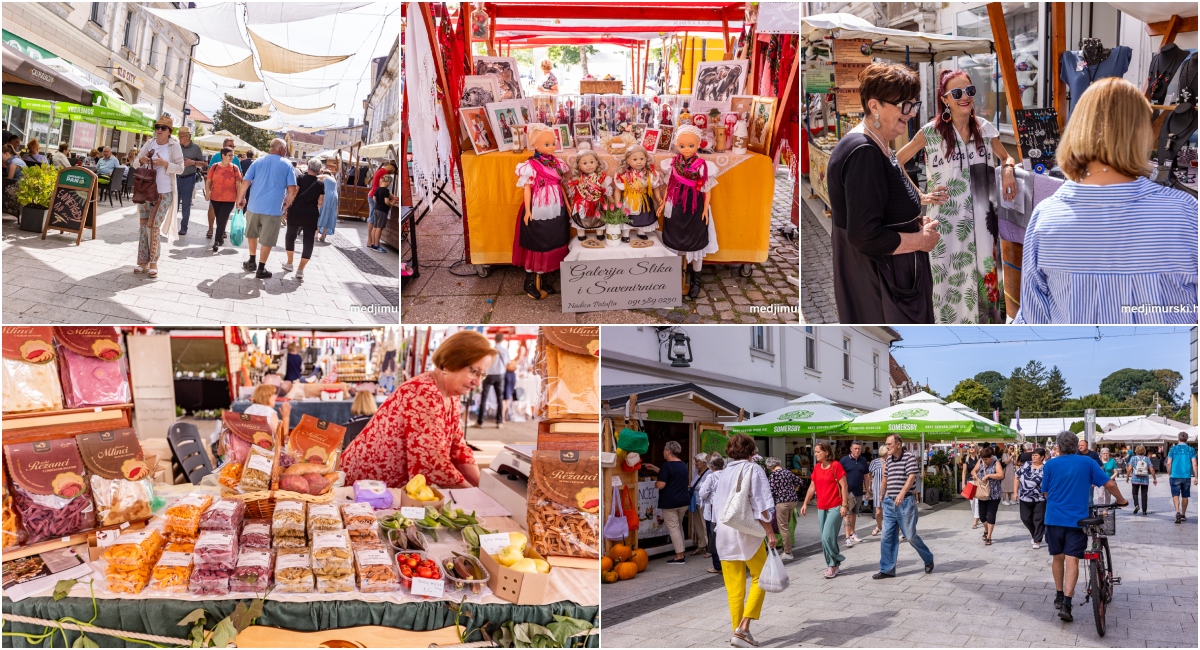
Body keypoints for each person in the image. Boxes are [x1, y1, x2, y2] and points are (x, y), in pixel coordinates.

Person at [1014, 78, 1197, 324]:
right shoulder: (1185, 214)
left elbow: (1034, 322)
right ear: (1140, 133)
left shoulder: (1046, 218)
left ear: (1078, 129)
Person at [896, 70, 1018, 323]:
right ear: (944, 99)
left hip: (984, 223)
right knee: (947, 280)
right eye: (957, 93)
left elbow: (1006, 156)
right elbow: (896, 162)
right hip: (947, 223)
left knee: (985, 277)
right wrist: (920, 195)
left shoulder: (985, 130)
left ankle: (987, 328)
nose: (965, 97)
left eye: (970, 91)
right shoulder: (930, 133)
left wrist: (1007, 169)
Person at [828, 63, 940, 323]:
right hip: (880, 285)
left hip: (890, 280)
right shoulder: (864, 152)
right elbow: (864, 235)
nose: (911, 113)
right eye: (904, 105)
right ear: (874, 105)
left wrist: (914, 223)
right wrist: (920, 241)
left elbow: (886, 206)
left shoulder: (876, 143)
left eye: (914, 104)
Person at [341, 330, 488, 489]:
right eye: (474, 371)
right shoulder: (423, 393)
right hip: (364, 489)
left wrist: (482, 488)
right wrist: (475, 494)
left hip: (387, 489)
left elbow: (458, 450)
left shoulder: (451, 397)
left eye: (483, 374)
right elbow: (432, 466)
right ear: (449, 363)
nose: (478, 382)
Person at [1042, 431, 1127, 623]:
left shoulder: (1051, 464)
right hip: (1077, 519)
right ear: (1076, 446)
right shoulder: (1088, 463)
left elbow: (1045, 492)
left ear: (1059, 447)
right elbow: (1109, 483)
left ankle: (1059, 594)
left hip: (1054, 518)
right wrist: (1121, 500)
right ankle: (1067, 604)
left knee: (1057, 557)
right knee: (1072, 559)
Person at [711, 434, 775, 647]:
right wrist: (770, 531)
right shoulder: (753, 469)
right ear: (751, 450)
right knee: (762, 576)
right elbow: (761, 504)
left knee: (734, 588)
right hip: (747, 532)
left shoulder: (724, 472)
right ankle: (743, 628)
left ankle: (737, 633)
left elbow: (717, 504)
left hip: (724, 532)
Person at [236, 138, 298, 279]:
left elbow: (246, 181)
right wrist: (287, 204)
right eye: (286, 149)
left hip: (253, 206)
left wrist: (240, 198)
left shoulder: (258, 161)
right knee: (267, 239)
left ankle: (252, 261)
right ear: (282, 150)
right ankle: (261, 268)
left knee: (252, 234)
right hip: (273, 209)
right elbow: (292, 189)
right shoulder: (287, 164)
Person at [875, 433, 935, 578]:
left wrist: (902, 494)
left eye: (889, 444)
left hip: (906, 502)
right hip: (890, 502)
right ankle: (887, 569)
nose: (886, 447)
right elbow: (886, 478)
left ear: (898, 444)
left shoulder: (909, 457)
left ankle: (928, 558)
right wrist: (882, 496)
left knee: (909, 535)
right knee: (887, 536)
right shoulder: (888, 459)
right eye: (886, 444)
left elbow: (911, 477)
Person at [133, 115, 185, 278]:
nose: (159, 130)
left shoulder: (174, 146)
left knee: (152, 225)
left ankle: (154, 262)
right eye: (157, 127)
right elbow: (135, 163)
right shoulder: (149, 143)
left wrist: (165, 164)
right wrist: (141, 160)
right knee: (143, 226)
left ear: (170, 131)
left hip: (164, 192)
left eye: (163, 128)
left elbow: (181, 168)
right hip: (145, 191)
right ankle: (143, 262)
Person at [801, 442, 850, 578]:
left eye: (818, 452)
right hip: (821, 507)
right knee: (825, 539)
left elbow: (844, 486)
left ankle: (835, 560)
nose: (815, 454)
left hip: (835, 506)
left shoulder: (836, 466)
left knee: (827, 536)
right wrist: (805, 503)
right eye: (815, 452)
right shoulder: (817, 468)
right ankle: (832, 564)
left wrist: (844, 505)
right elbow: (812, 487)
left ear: (826, 452)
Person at [642, 441, 690, 565]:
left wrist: (656, 483)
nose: (663, 451)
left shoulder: (667, 466)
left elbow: (661, 484)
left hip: (670, 503)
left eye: (664, 449)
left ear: (668, 451)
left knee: (673, 528)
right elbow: (671, 475)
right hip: (683, 501)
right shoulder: (682, 465)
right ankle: (682, 552)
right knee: (679, 526)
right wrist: (654, 468)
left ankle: (679, 556)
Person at [281, 157, 326, 279]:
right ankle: (300, 270)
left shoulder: (300, 178)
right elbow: (320, 202)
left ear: (309, 167)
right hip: (311, 214)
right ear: (319, 170)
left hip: (296, 211)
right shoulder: (321, 183)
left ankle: (289, 263)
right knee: (308, 241)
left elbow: (294, 193)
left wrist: (286, 208)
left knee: (290, 236)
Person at [206, 147, 243, 251]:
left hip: (229, 199)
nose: (232, 157)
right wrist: (207, 193)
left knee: (222, 218)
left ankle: (216, 242)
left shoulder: (235, 168)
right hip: (215, 197)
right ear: (223, 156)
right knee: (219, 219)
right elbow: (208, 180)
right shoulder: (214, 167)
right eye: (230, 155)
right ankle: (221, 235)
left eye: (233, 155)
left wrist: (239, 199)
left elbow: (238, 185)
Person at [765, 457, 801, 560]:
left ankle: (788, 552)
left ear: (770, 466)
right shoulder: (787, 472)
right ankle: (786, 547)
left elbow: (770, 491)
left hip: (782, 503)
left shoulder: (773, 475)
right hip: (793, 501)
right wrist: (793, 490)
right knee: (786, 526)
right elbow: (799, 481)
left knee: (783, 527)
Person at [173, 127, 207, 236]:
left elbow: (203, 163)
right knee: (174, 204)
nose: (179, 138)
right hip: (176, 177)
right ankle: (172, 227)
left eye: (181, 136)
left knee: (186, 204)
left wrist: (193, 162)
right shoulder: (177, 147)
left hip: (189, 178)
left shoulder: (196, 148)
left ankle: (184, 228)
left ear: (188, 136)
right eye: (179, 136)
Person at [474, 333, 509, 428]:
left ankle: (480, 422)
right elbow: (507, 363)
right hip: (500, 375)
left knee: (484, 398)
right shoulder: (505, 351)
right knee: (499, 399)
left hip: (489, 375)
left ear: (495, 339)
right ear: (502, 340)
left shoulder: (490, 351)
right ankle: (499, 422)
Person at [697, 455, 724, 574]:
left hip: (713, 511)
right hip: (727, 510)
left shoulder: (711, 476)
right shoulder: (728, 475)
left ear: (711, 466)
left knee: (713, 537)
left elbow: (702, 493)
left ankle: (717, 565)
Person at [839, 442, 870, 546]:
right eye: (855, 448)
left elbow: (866, 476)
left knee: (854, 514)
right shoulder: (844, 460)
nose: (857, 451)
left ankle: (852, 534)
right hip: (847, 493)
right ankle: (847, 538)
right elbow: (838, 476)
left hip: (858, 492)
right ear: (851, 449)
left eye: (859, 449)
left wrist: (867, 491)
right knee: (847, 515)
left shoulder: (863, 460)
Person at [1016, 447, 1047, 549]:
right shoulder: (1026, 465)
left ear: (1042, 457)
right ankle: (1035, 534)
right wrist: (1015, 492)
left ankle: (1037, 540)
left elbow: (1050, 482)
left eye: (1036, 455)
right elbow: (1017, 477)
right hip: (1025, 497)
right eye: (1033, 455)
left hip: (1040, 498)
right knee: (1025, 518)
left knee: (1038, 519)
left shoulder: (1046, 468)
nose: (1033, 457)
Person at [973, 446, 1003, 545]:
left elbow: (1001, 475)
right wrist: (974, 475)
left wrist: (989, 475)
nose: (984, 461)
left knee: (991, 515)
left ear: (991, 457)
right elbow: (973, 470)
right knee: (982, 516)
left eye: (986, 459)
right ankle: (986, 530)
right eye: (983, 459)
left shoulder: (996, 462)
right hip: (982, 493)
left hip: (994, 494)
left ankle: (989, 536)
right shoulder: (980, 461)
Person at [1165, 431, 1197, 523]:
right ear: (1186, 439)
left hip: (1175, 475)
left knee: (1175, 494)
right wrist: (1196, 477)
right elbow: (1195, 464)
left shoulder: (1173, 449)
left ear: (1178, 439)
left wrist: (1169, 473)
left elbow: (1168, 463)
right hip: (1186, 476)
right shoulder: (1191, 450)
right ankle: (1183, 514)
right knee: (1185, 495)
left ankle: (1177, 512)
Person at [690, 454, 712, 557]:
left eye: (697, 461)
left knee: (705, 525)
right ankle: (701, 545)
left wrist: (693, 486)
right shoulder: (696, 472)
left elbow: (705, 487)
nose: (695, 463)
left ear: (704, 462)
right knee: (697, 524)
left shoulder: (709, 472)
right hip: (695, 501)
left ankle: (710, 547)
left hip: (704, 502)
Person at [368, 174, 396, 253]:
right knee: (379, 228)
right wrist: (392, 204)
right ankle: (377, 245)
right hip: (382, 211)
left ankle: (373, 244)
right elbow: (386, 201)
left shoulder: (378, 189)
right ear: (388, 182)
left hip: (376, 209)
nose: (390, 184)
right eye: (390, 182)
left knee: (375, 227)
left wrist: (379, 203)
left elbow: (374, 198)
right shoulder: (386, 191)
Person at [1126, 444, 1156, 516]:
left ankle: (1136, 505)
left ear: (1136, 451)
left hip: (1135, 478)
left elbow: (1129, 469)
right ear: (1144, 451)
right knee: (1144, 495)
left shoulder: (1133, 458)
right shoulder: (1147, 459)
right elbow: (1151, 469)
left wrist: (1127, 477)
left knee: (1135, 493)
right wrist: (1154, 478)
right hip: (1145, 479)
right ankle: (1144, 511)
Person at [317, 160, 339, 241]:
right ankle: (323, 235)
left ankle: (316, 233)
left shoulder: (324, 177)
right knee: (329, 214)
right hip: (334, 198)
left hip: (326, 196)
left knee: (321, 213)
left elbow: (315, 178)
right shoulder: (334, 180)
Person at [961, 443, 981, 529]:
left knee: (977, 502)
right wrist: (963, 483)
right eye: (970, 447)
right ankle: (976, 515)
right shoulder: (966, 459)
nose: (971, 448)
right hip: (969, 481)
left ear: (976, 448)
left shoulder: (979, 458)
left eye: (973, 447)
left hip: (978, 481)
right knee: (972, 502)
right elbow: (964, 471)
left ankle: (975, 521)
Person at [867, 450, 885, 535]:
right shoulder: (875, 462)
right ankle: (879, 526)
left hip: (889, 489)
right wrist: (870, 486)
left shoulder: (892, 461)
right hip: (877, 488)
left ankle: (889, 529)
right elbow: (869, 474)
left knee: (889, 511)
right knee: (878, 511)